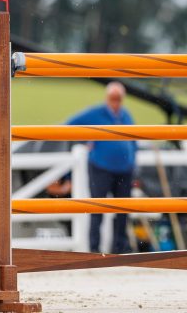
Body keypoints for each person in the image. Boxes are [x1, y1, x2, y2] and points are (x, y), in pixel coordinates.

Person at [67, 81, 137, 253]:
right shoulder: (95, 113)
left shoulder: (126, 115)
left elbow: (134, 141)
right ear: (107, 98)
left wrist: (134, 165)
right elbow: (70, 124)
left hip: (125, 170)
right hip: (101, 168)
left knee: (123, 211)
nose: (116, 101)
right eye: (113, 97)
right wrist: (85, 140)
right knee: (97, 209)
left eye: (118, 98)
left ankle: (119, 249)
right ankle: (94, 249)